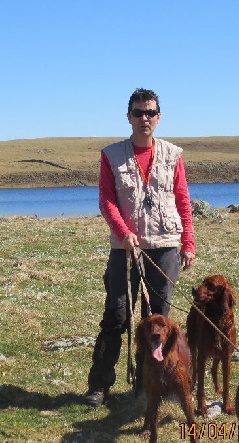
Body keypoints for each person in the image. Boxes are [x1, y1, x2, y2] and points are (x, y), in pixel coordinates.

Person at [84, 88, 196, 407]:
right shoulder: (112, 155)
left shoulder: (173, 154)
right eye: (138, 112)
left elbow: (183, 199)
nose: (144, 118)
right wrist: (123, 233)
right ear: (128, 116)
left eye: (150, 113)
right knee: (117, 316)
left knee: (157, 320)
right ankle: (99, 385)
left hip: (164, 248)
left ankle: (152, 386)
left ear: (158, 117)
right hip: (125, 250)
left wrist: (188, 241)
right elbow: (106, 199)